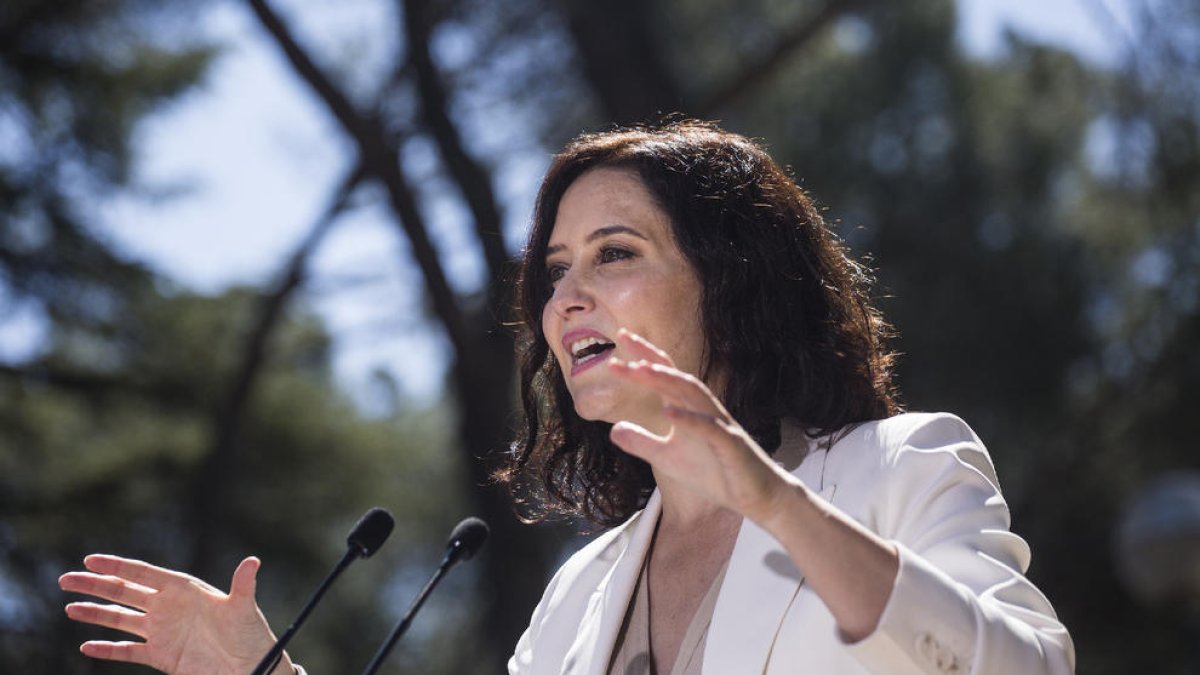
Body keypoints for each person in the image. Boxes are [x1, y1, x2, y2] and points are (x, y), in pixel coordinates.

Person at [59, 120, 1075, 675]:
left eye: (616, 254)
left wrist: (771, 500)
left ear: (730, 282)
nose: (567, 295)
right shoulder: (582, 590)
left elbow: (1024, 671)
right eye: (555, 269)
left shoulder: (900, 466)